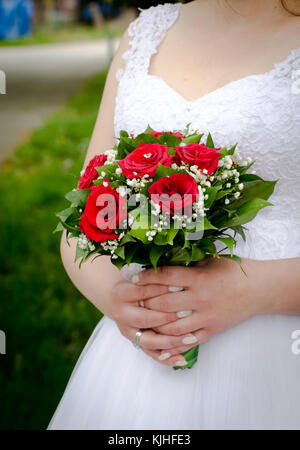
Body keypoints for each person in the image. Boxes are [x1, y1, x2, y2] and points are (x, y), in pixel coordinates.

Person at [48, 0, 300, 430]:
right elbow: (81, 218)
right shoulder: (146, 32)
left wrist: (254, 291)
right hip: (142, 359)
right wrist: (117, 299)